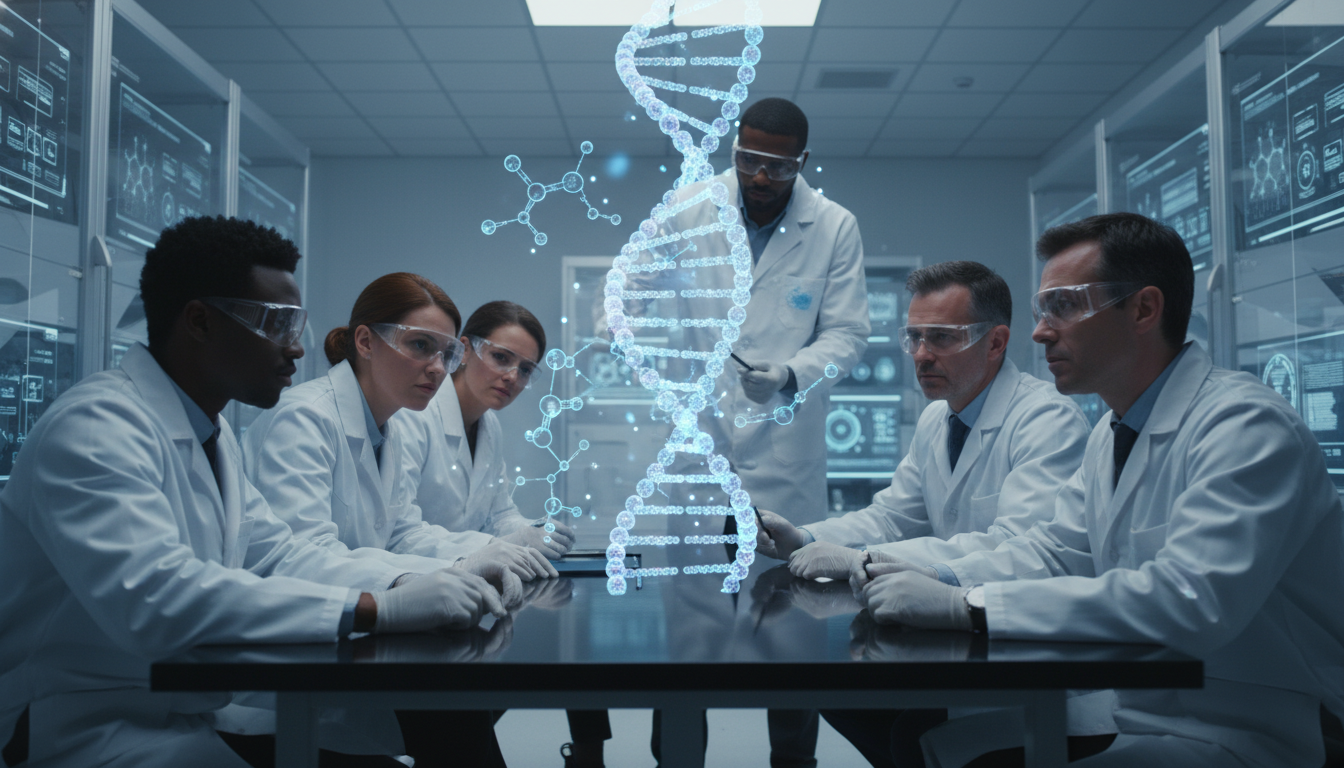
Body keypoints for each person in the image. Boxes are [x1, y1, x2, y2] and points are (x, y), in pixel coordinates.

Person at [0, 216, 506, 768]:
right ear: (199, 321)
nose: (295, 349)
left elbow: (280, 553)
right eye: (274, 324)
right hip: (83, 726)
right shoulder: (98, 427)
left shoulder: (209, 436)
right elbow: (158, 598)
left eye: (297, 326)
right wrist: (376, 607)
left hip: (182, 711)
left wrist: (406, 584)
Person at [854, 213, 1344, 767]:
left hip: (1275, 729)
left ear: (1144, 309)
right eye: (1043, 310)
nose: (1039, 332)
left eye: (1063, 305)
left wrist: (966, 605)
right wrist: (939, 579)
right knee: (935, 748)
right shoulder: (1113, 432)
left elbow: (1189, 600)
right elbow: (1054, 551)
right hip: (1155, 716)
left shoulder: (1244, 425)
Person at [752, 261, 1100, 767]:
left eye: (941, 337)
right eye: (913, 337)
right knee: (841, 697)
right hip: (963, 645)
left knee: (907, 730)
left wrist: (860, 560)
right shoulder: (941, 416)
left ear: (997, 342)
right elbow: (892, 517)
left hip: (1032, 661)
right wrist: (802, 538)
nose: (921, 355)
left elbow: (1017, 545)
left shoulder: (1045, 420)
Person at [396, 300, 574, 559]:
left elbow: (500, 514)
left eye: (525, 369)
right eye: (501, 357)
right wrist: (495, 547)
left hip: (463, 580)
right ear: (465, 350)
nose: (512, 377)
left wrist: (532, 530)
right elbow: (402, 535)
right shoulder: (415, 415)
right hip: (413, 579)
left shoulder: (489, 426)